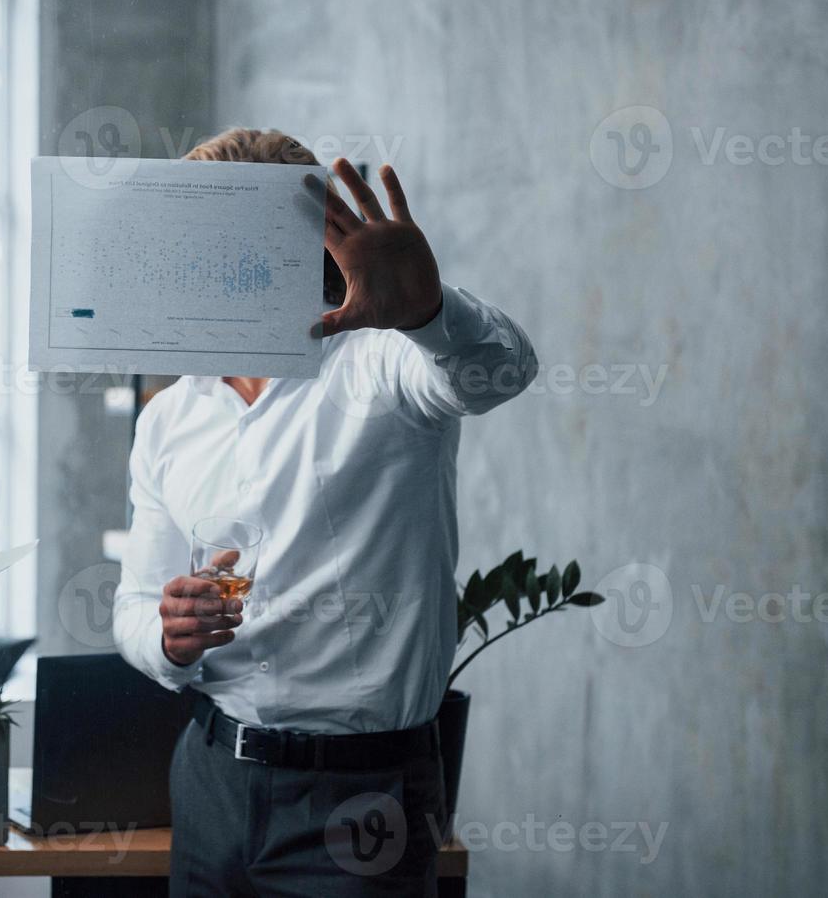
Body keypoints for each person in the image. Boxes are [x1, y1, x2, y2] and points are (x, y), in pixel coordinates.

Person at [113, 128, 539, 897]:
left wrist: (431, 316)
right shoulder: (170, 416)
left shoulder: (384, 362)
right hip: (211, 779)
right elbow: (135, 607)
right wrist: (166, 638)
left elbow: (501, 373)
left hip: (363, 799)